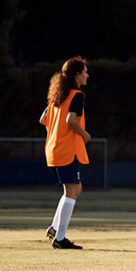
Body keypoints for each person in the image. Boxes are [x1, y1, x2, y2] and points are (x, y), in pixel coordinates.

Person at [39, 57, 91, 250]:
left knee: (75, 189)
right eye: (85, 71)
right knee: (71, 191)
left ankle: (54, 227)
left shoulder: (58, 96)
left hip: (53, 149)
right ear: (77, 75)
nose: (87, 75)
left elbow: (43, 119)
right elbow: (70, 120)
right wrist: (84, 134)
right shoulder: (76, 95)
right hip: (67, 150)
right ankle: (60, 238)